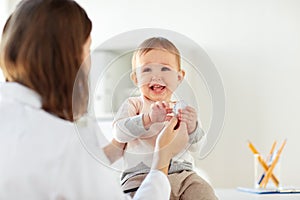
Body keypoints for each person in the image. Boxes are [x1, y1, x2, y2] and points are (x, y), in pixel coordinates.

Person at [0, 0, 189, 199]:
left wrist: (114, 148)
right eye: (88, 49)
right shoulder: (68, 142)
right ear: (69, 57)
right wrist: (162, 158)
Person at [113, 37, 218, 199]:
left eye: (165, 69)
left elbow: (198, 148)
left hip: (183, 174)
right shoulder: (134, 104)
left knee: (204, 190)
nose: (156, 76)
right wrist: (147, 119)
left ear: (179, 77)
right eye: (147, 70)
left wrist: (193, 127)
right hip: (141, 175)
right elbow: (119, 133)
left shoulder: (183, 109)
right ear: (135, 78)